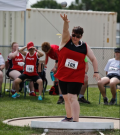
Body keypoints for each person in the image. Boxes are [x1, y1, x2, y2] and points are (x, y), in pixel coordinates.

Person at [54, 14, 100, 122]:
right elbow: (65, 31)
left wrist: (96, 71)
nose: (75, 38)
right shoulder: (66, 41)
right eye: (74, 35)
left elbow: (93, 59)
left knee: (72, 97)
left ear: (81, 37)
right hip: (63, 74)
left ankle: (76, 121)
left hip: (76, 75)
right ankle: (68, 117)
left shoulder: (84, 46)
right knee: (66, 98)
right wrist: (66, 22)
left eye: (78, 36)